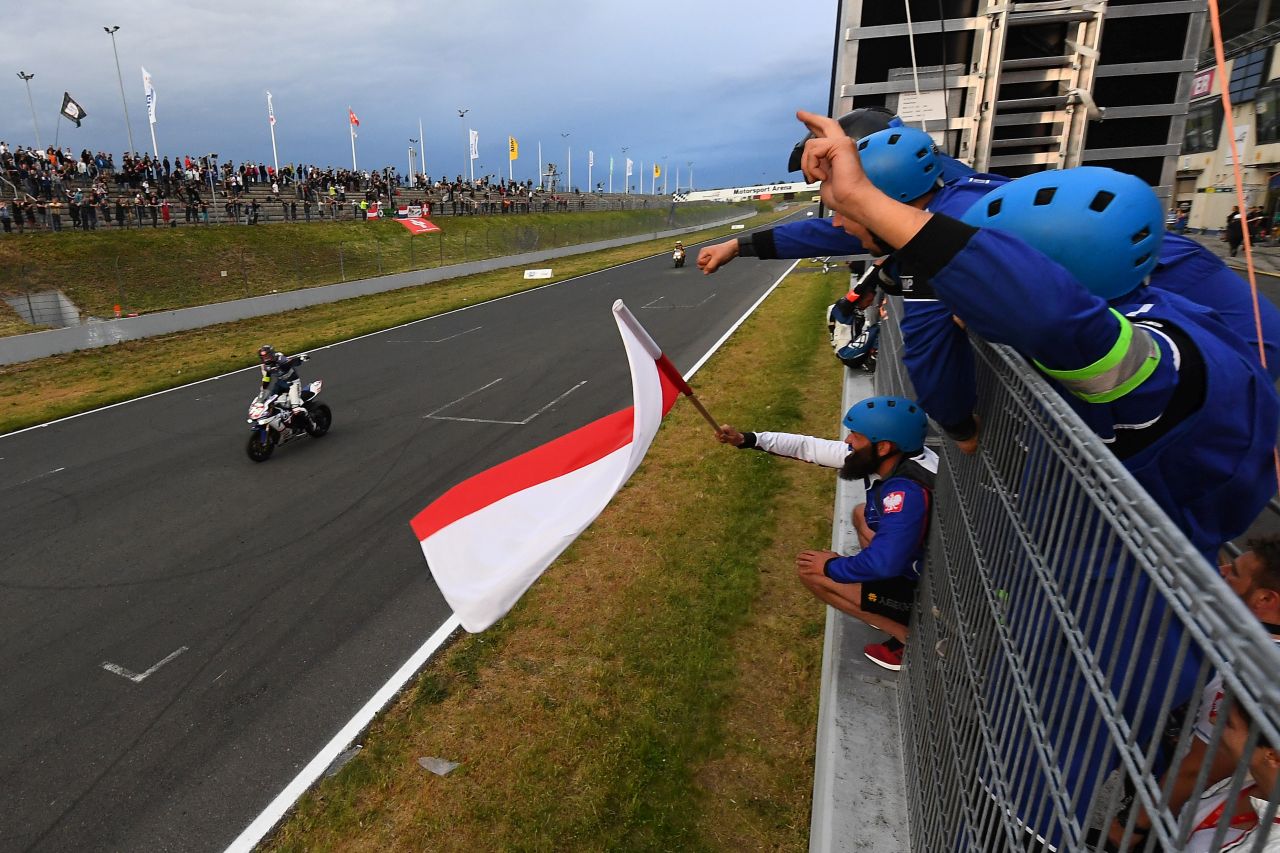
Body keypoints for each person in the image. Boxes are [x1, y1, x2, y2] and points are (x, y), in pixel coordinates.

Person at [796, 108, 1280, 846]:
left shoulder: (1154, 365)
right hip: (1139, 566)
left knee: (1042, 764)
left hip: (1119, 614)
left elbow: (1055, 321)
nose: (965, 322)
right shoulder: (1158, 312)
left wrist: (865, 200)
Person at [717, 395, 935, 671]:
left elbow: (884, 563)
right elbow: (808, 446)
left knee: (812, 571)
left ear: (883, 447)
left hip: (930, 591)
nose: (848, 441)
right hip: (922, 562)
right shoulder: (901, 458)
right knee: (861, 514)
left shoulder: (905, 493)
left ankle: (909, 640)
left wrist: (831, 566)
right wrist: (747, 439)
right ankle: (879, 601)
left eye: (856, 436)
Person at [257, 345, 310, 416]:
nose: (266, 359)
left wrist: (300, 359)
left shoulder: (280, 358)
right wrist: (263, 389)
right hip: (281, 383)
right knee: (270, 402)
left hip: (292, 382)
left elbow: (291, 362)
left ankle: (307, 415)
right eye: (263, 357)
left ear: (272, 354)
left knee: (296, 408)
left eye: (267, 356)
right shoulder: (264, 366)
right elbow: (267, 378)